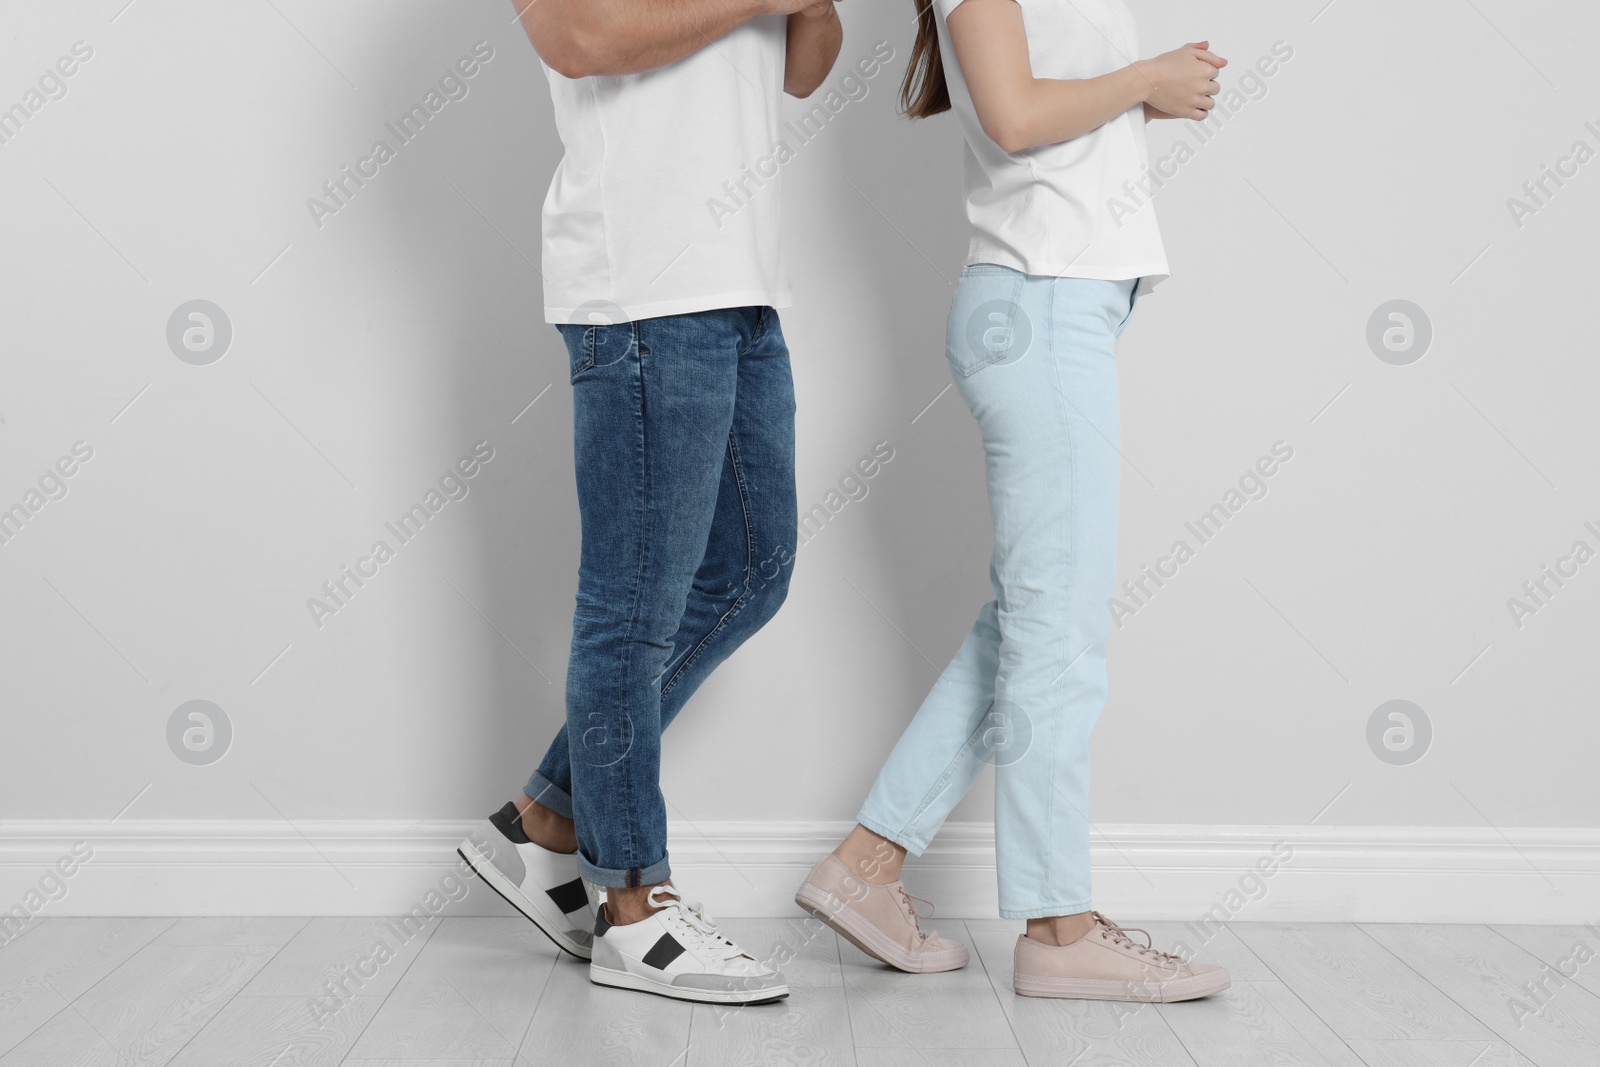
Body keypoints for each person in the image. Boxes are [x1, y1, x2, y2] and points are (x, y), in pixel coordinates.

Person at [795, 0, 1234, 1001]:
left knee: (1028, 625)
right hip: (1038, 303)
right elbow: (1014, 115)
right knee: (1058, 633)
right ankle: (1058, 924)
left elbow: (1042, 113)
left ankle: (866, 864)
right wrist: (1145, 81)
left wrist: (1140, 101)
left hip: (1057, 300)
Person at [459, 0, 842, 1006]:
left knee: (752, 574)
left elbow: (807, 66)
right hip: (640, 286)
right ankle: (632, 906)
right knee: (630, 608)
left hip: (743, 282)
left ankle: (544, 817)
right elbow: (576, 39)